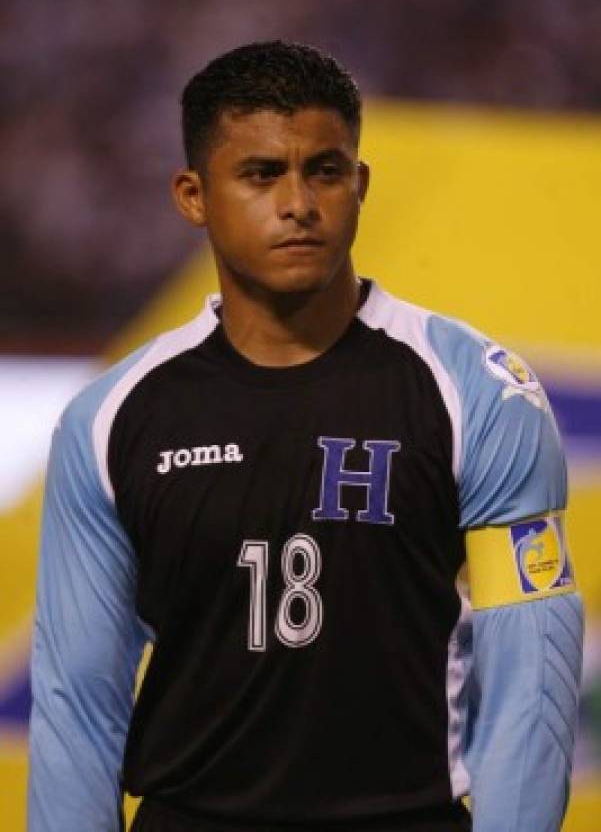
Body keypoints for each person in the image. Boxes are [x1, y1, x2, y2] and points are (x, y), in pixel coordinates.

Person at [28, 41, 583, 832]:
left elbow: (530, 677)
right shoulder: (112, 417)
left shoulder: (479, 391)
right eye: (261, 175)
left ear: (360, 185)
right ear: (193, 195)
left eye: (324, 171)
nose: (298, 203)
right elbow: (77, 701)